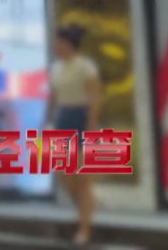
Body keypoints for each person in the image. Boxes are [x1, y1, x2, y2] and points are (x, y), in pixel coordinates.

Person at [47, 24, 101, 246]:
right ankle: (87, 206)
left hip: (80, 117)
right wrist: (47, 121)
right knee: (63, 173)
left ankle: (84, 228)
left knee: (82, 177)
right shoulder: (56, 67)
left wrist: (91, 127)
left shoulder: (85, 66)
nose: (55, 46)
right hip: (62, 118)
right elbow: (53, 96)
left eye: (58, 42)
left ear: (68, 44)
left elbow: (94, 98)